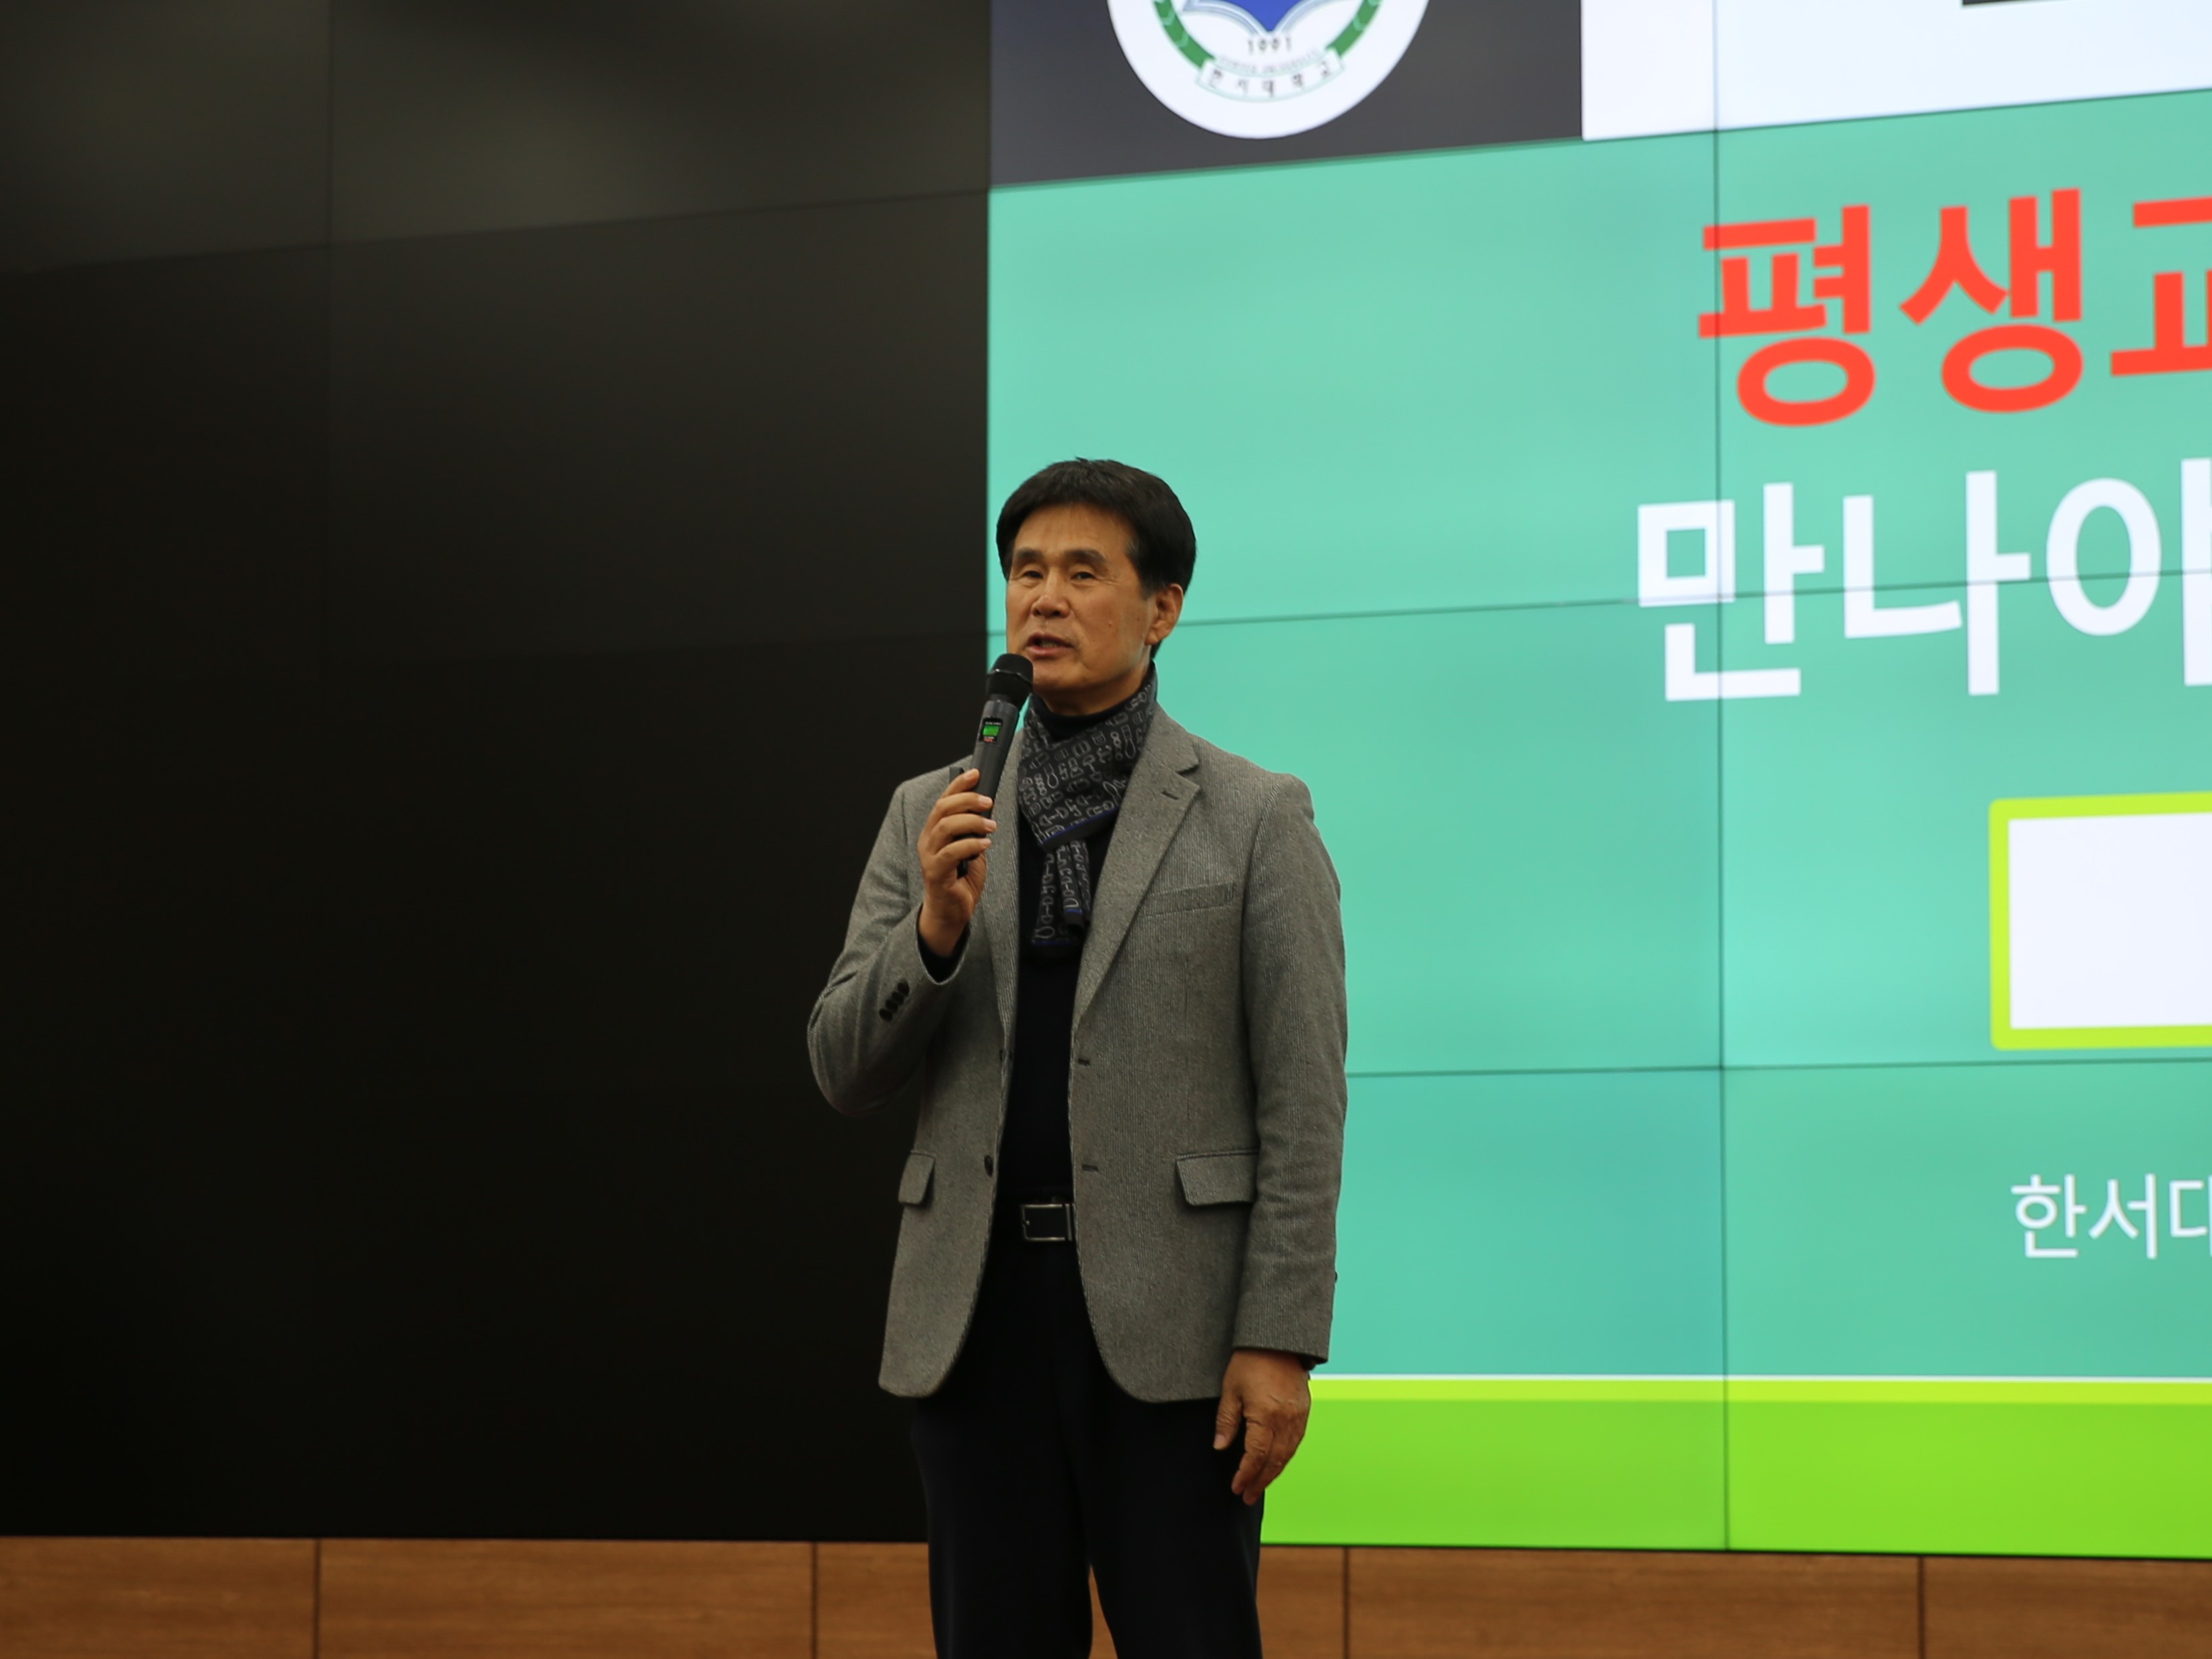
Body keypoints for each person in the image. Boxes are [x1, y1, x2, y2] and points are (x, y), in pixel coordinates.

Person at [808, 458, 1347, 1658]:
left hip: (1175, 1336)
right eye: (1026, 571)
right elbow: (843, 1065)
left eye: (1083, 572)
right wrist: (933, 932)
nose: (1043, 598)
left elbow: (1304, 1103)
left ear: (1163, 608)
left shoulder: (1256, 815)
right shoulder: (932, 811)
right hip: (976, 1323)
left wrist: (1279, 1338)